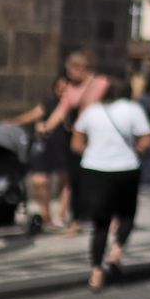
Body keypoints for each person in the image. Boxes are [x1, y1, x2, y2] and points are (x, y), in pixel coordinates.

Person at [71, 76, 150, 292]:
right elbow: (146, 139)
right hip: (126, 169)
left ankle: (96, 272)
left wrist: (92, 152)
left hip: (95, 170)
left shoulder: (92, 111)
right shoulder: (133, 109)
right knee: (127, 214)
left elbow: (76, 142)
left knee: (100, 224)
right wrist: (137, 150)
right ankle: (115, 252)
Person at [38, 51, 106, 236]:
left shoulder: (100, 84)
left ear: (81, 68)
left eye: (71, 70)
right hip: (76, 137)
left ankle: (107, 216)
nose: (68, 74)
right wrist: (47, 126)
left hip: (97, 138)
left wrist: (89, 84)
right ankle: (76, 220)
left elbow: (94, 103)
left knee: (99, 178)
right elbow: (62, 110)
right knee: (75, 179)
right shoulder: (71, 88)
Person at [7, 73, 70, 234]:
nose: (62, 92)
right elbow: (32, 115)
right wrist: (11, 122)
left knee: (67, 180)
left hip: (66, 146)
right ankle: (46, 215)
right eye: (59, 88)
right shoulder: (49, 102)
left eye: (65, 89)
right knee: (40, 181)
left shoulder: (73, 104)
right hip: (46, 146)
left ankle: (61, 216)